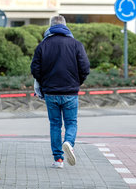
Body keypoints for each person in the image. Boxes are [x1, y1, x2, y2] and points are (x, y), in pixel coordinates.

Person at [31, 15, 90, 169]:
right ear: (65, 26)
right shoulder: (76, 44)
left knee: (55, 125)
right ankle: (69, 142)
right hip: (70, 92)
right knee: (71, 122)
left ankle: (58, 160)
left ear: (50, 27)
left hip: (50, 92)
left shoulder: (43, 45)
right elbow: (85, 68)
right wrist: (77, 82)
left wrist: (44, 84)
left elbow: (35, 69)